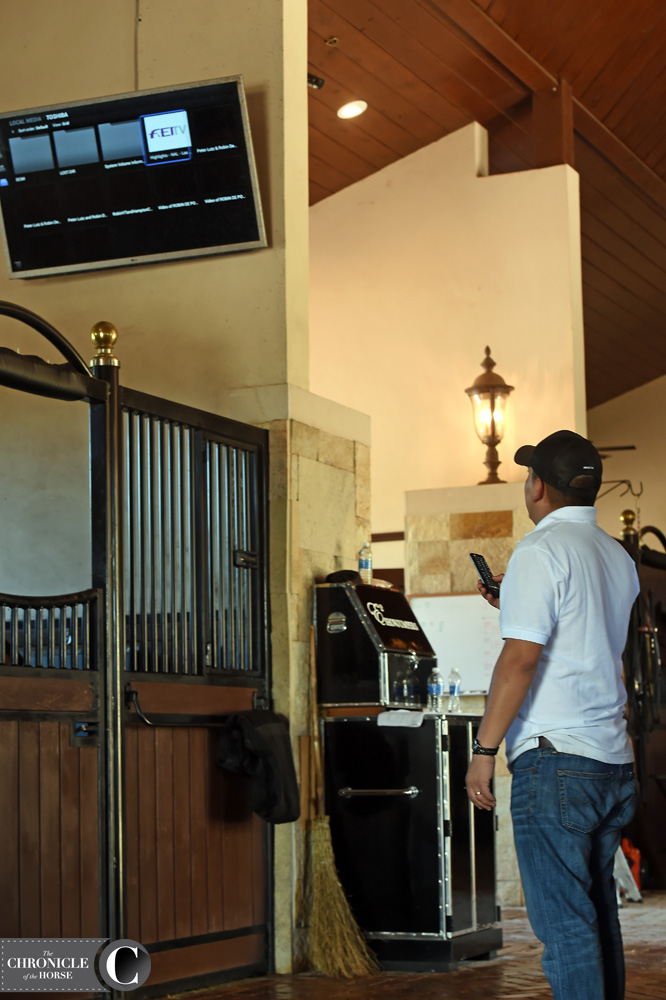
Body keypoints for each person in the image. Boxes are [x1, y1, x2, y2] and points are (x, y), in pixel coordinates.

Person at [465, 429, 639, 1000]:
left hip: (556, 761)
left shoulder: (540, 551)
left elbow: (519, 661)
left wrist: (484, 751)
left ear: (538, 485)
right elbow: (587, 637)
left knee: (565, 928)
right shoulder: (616, 555)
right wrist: (515, 597)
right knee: (596, 917)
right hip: (612, 759)